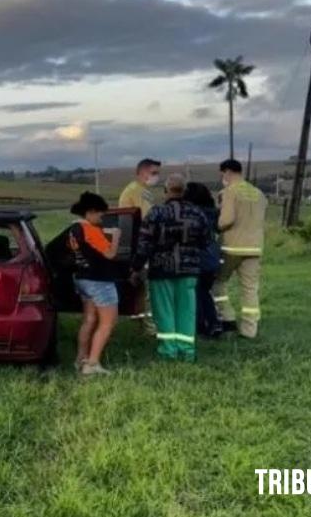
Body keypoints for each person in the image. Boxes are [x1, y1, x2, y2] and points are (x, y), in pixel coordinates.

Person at [134, 174, 210, 361]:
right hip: (189, 270)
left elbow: (144, 244)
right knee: (186, 311)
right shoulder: (198, 213)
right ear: (184, 191)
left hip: (161, 271)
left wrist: (135, 267)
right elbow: (206, 241)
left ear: (166, 191)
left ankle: (168, 351)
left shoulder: (156, 213)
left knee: (164, 312)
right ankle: (187, 351)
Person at [67, 191, 122, 376]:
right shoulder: (91, 229)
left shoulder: (74, 229)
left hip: (83, 278)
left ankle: (80, 359)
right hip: (100, 281)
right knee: (108, 322)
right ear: (90, 212)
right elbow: (110, 254)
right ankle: (92, 363)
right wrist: (115, 237)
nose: (102, 217)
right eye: (100, 213)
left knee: (89, 320)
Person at [213, 158, 267, 338]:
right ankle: (250, 329)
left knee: (218, 282)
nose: (223, 178)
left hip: (232, 247)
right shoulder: (259, 193)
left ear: (227, 172)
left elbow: (227, 219)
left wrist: (217, 223)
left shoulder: (230, 191)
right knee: (250, 288)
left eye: (223, 175)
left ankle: (227, 316)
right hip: (255, 247)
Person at [119, 157, 162, 335]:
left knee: (140, 288)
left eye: (158, 173)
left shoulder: (142, 190)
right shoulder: (139, 192)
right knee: (148, 289)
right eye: (153, 173)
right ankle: (150, 327)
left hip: (137, 244)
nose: (156, 177)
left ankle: (142, 323)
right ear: (141, 172)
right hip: (141, 245)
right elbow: (149, 219)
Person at [184, 181, 223, 339]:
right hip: (212, 257)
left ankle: (202, 326)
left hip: (197, 257)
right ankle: (213, 323)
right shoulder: (213, 213)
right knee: (204, 292)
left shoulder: (192, 214)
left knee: (196, 293)